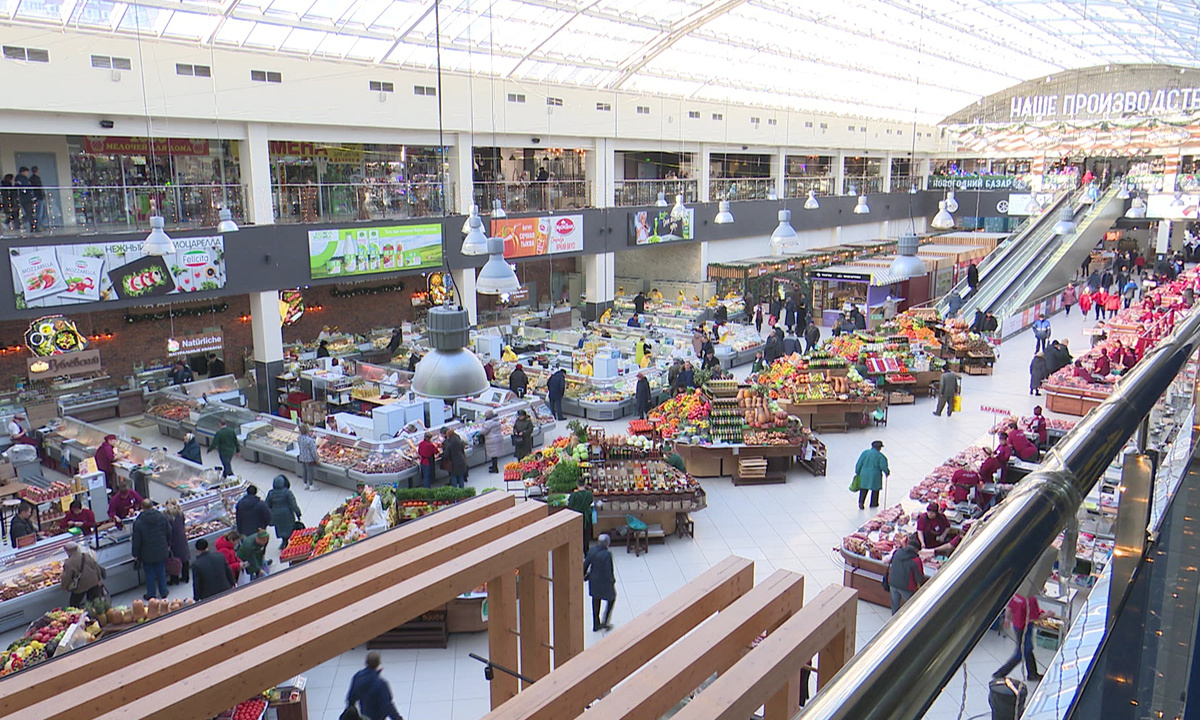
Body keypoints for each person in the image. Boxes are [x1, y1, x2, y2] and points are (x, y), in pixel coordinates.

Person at [993, 586, 1046, 683]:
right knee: (1021, 653)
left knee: (1028, 649)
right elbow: (1034, 618)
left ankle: (1032, 674)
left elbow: (1009, 607)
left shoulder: (1017, 594)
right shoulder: (1031, 600)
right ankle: (1000, 674)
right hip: (1025, 627)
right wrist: (1048, 615)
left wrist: (1007, 619)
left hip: (1017, 626)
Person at [132, 499, 172, 600]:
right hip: (161, 549)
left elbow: (136, 540)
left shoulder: (139, 522)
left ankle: (151, 594)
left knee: (149, 573)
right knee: (161, 571)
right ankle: (164, 591)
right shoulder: (162, 517)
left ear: (142, 508)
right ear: (152, 506)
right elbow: (169, 531)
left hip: (146, 552)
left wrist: (135, 553)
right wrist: (168, 544)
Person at [346, 651, 404, 720]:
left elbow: (351, 698)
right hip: (378, 716)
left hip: (364, 713)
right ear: (379, 663)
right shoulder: (381, 684)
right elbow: (387, 706)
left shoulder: (357, 676)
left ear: (366, 662)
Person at [584, 534, 616, 631]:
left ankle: (596, 624)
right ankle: (605, 622)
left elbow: (585, 565)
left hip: (593, 581)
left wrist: (584, 575)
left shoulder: (592, 551)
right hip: (604, 582)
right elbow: (608, 571)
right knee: (611, 599)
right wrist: (612, 580)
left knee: (595, 601)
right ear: (607, 543)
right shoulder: (607, 555)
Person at [886, 537, 926, 614]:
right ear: (916, 550)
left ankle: (894, 621)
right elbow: (919, 578)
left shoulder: (897, 552)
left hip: (893, 583)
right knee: (911, 606)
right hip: (906, 587)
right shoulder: (916, 560)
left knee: (895, 606)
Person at [60, 542, 106, 606]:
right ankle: (96, 613)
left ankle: (77, 614)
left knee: (74, 604)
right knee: (94, 602)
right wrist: (99, 579)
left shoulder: (69, 563)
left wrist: (64, 587)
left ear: (67, 551)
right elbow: (96, 567)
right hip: (93, 581)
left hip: (80, 586)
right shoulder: (86, 555)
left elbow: (67, 577)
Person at [266, 475, 302, 548]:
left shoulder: (271, 493)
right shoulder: (287, 492)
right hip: (287, 514)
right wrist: (298, 513)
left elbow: (267, 505)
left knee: (280, 528)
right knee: (289, 527)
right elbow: (293, 504)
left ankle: (284, 541)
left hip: (276, 514)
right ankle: (291, 542)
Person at [854, 440, 890, 510]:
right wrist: (887, 472)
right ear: (879, 448)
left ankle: (861, 502)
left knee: (864, 489)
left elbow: (859, 463)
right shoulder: (880, 456)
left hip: (864, 474)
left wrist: (857, 471)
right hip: (875, 476)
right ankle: (873, 503)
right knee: (875, 490)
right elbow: (883, 466)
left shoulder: (865, 453)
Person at [163, 498, 191, 585]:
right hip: (182, 537)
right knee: (184, 558)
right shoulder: (180, 513)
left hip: (173, 539)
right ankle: (186, 577)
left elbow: (167, 529)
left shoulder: (166, 515)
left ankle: (174, 579)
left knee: (173, 559)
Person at [567, 478, 595, 556]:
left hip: (577, 516)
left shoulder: (574, 495)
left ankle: (577, 551)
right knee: (586, 535)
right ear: (585, 484)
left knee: (577, 534)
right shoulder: (589, 494)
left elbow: (570, 505)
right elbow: (590, 502)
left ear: (577, 484)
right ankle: (586, 551)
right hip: (587, 517)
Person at [297, 423, 319, 490]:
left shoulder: (299, 438)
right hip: (309, 459)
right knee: (310, 472)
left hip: (302, 457)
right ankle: (311, 485)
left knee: (304, 471)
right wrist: (317, 459)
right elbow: (313, 451)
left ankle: (305, 484)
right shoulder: (310, 440)